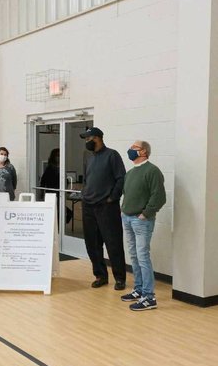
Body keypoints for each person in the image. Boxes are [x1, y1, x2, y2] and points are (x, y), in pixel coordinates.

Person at [121, 140, 166, 311]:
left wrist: (145, 214)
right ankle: (138, 289)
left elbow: (159, 197)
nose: (130, 150)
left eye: (134, 148)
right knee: (133, 255)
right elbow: (127, 194)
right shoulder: (131, 173)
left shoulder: (152, 171)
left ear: (144, 151)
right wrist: (123, 210)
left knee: (142, 256)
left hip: (142, 221)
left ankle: (149, 297)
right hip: (127, 217)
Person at [80, 127, 126, 290]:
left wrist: (112, 198)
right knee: (92, 243)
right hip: (88, 206)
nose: (87, 142)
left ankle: (120, 278)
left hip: (107, 207)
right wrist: (84, 193)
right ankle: (100, 275)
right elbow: (86, 178)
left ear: (97, 138)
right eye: (85, 139)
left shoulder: (112, 155)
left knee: (113, 243)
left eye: (88, 138)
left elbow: (121, 179)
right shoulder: (88, 157)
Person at [40, 148, 72, 224]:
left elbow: (65, 180)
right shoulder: (49, 168)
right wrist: (42, 193)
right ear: (53, 157)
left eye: (60, 155)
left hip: (60, 193)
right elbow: (43, 181)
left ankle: (60, 227)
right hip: (52, 193)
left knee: (63, 212)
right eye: (57, 155)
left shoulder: (61, 168)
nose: (58, 157)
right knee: (56, 212)